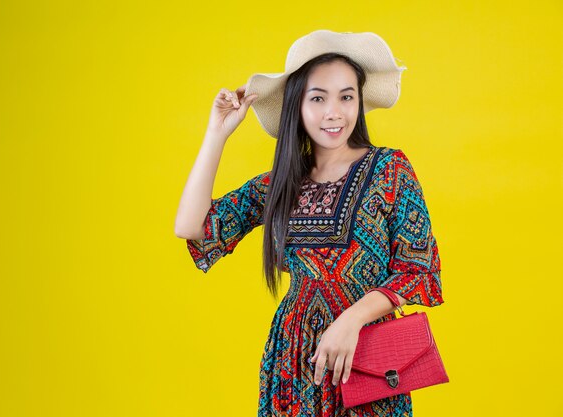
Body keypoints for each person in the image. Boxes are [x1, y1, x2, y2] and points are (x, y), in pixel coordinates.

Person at [175, 30, 444, 417]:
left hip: (366, 358)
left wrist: (351, 320)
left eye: (346, 97)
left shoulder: (390, 169)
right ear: (295, 105)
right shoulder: (282, 182)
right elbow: (192, 227)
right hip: (293, 361)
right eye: (318, 98)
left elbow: (416, 268)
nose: (334, 112)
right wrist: (217, 134)